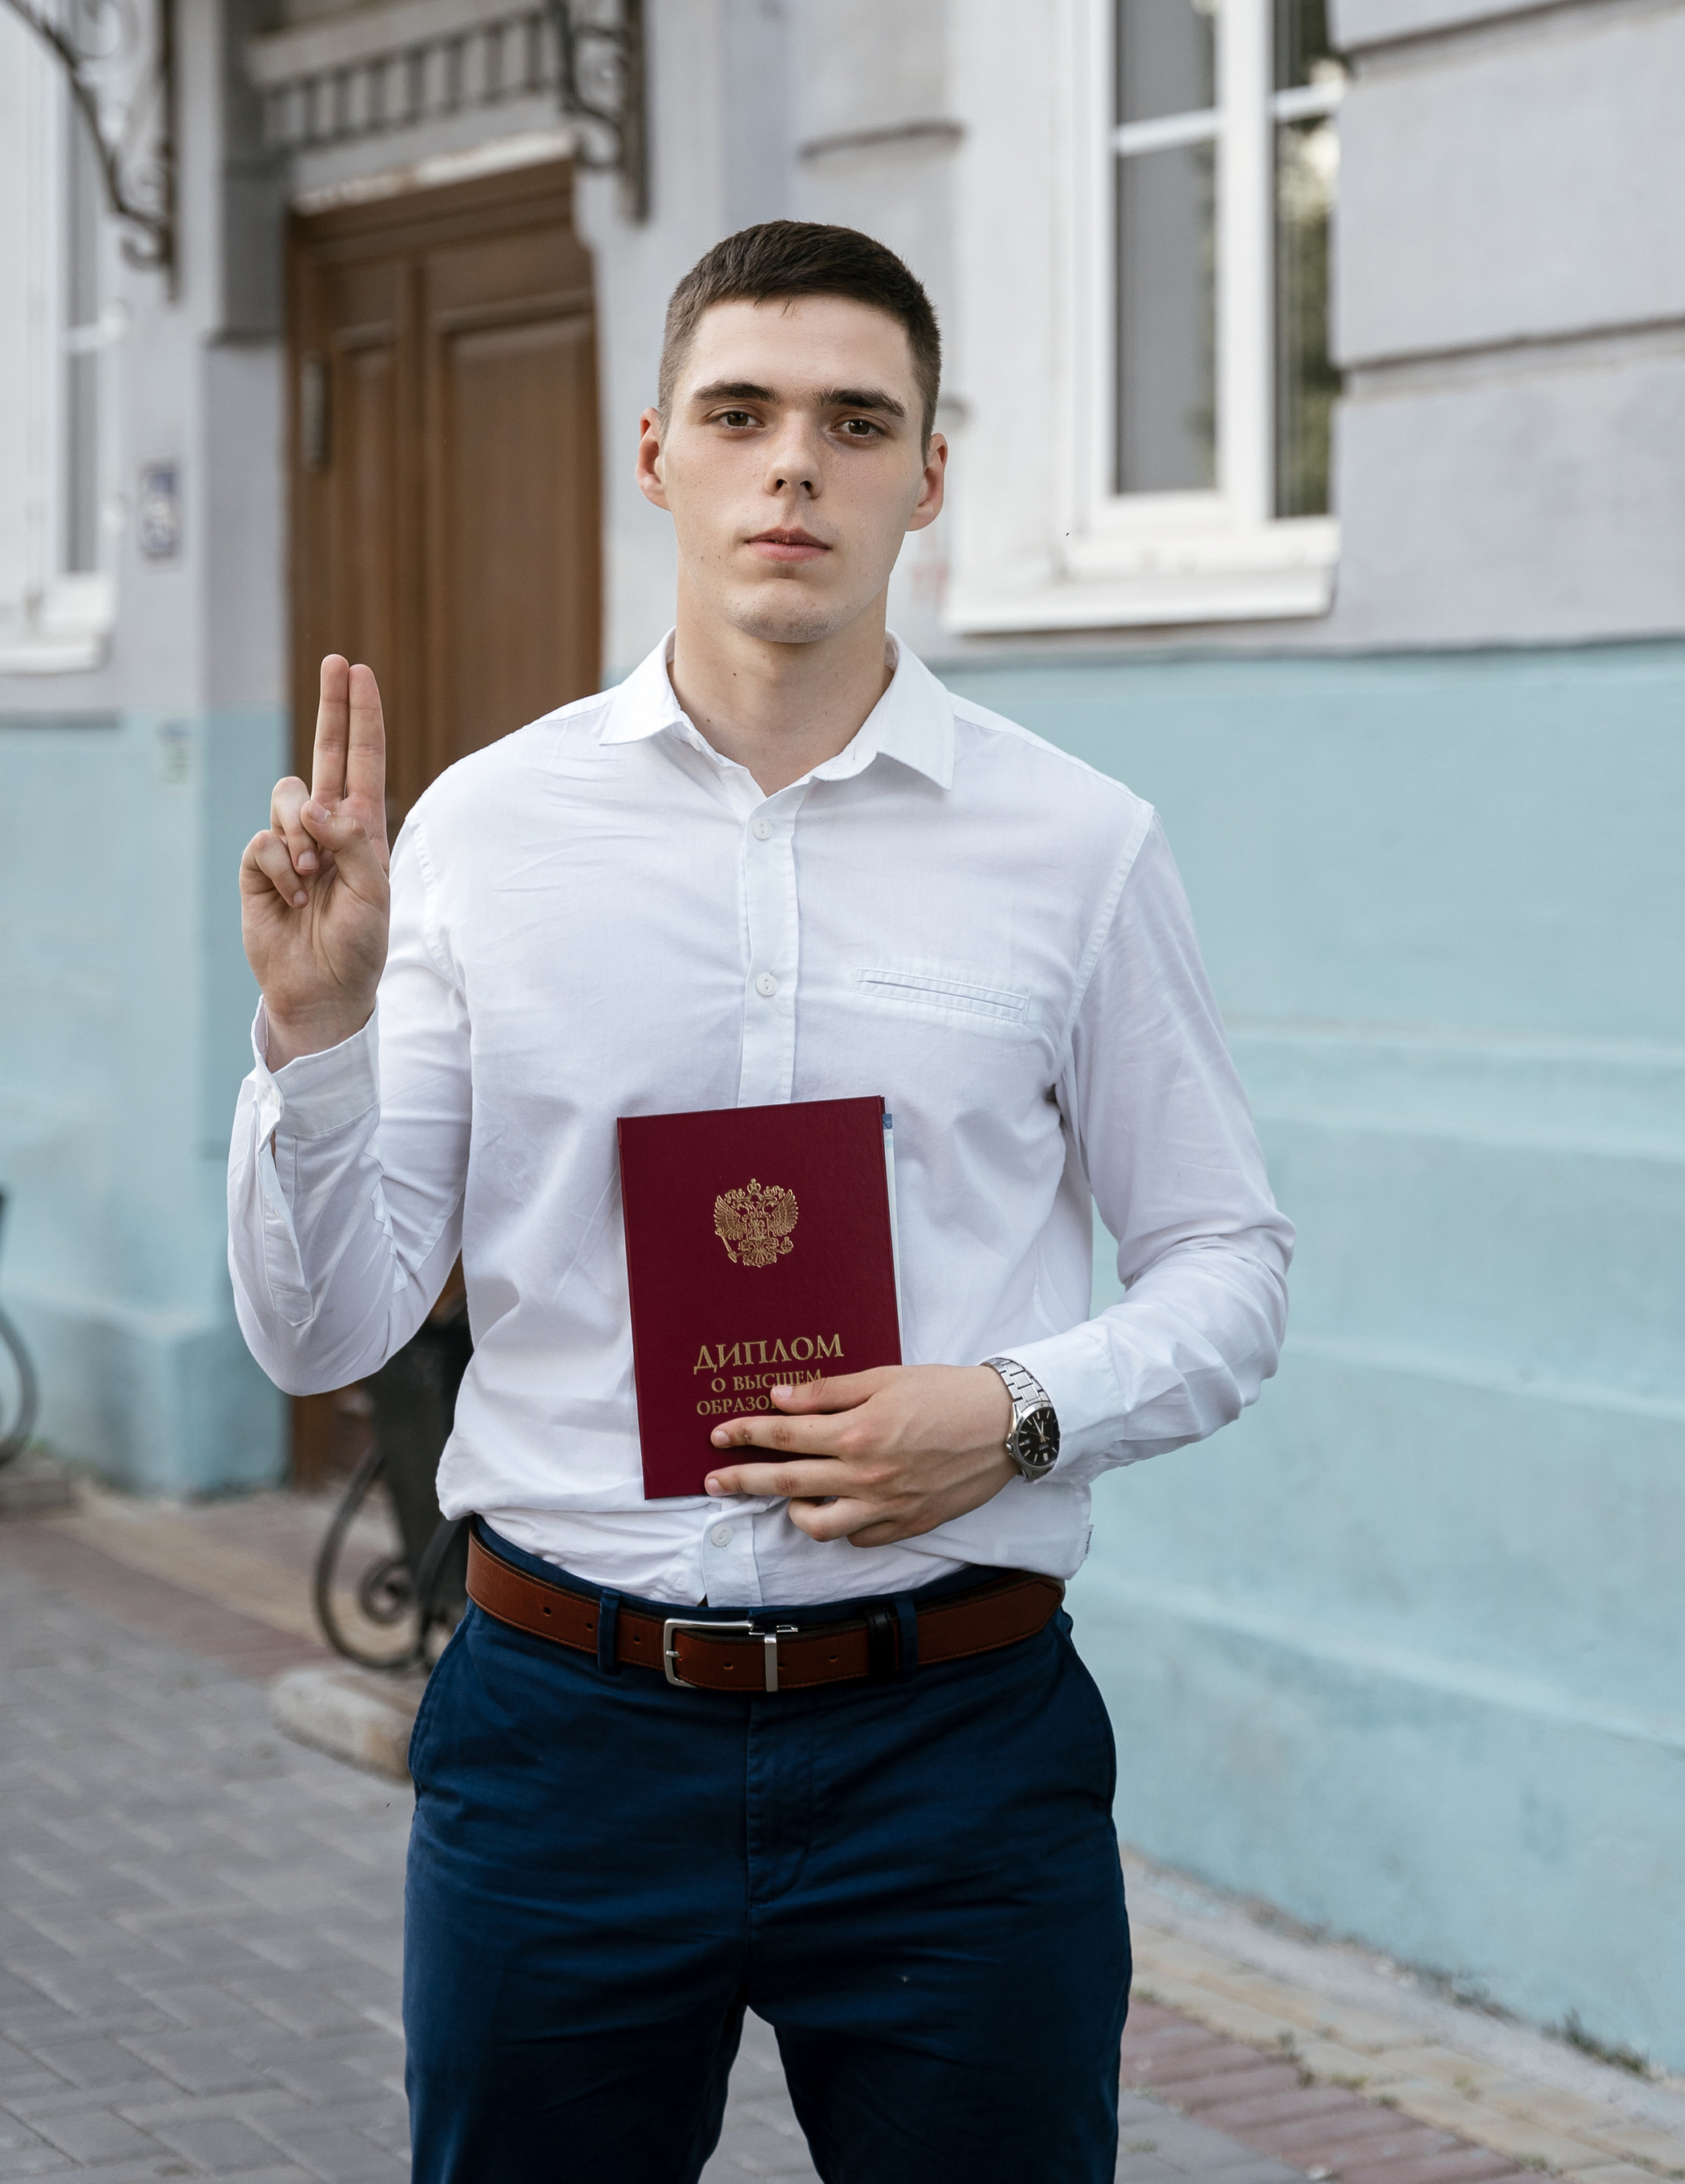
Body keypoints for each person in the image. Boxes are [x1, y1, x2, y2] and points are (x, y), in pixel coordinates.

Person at [229, 217, 1292, 2184]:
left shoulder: (1073, 844)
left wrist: (1014, 1411)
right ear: (659, 456)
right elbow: (328, 1329)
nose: (793, 462)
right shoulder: (484, 832)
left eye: (851, 420)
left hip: (952, 1752)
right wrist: (316, 1041)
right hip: (562, 1735)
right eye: (740, 412)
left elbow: (1229, 1263)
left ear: (927, 475)